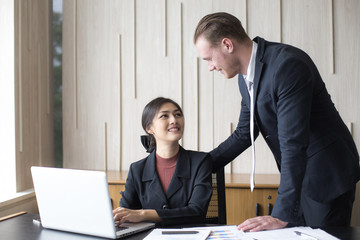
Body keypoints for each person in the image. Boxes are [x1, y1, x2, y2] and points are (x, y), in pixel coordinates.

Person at [194, 12, 360, 231]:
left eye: (208, 58)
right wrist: (197, 166)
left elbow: (293, 141)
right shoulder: (245, 78)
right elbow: (245, 132)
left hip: (326, 176)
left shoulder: (287, 65)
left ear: (227, 44)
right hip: (299, 178)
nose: (210, 67)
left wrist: (280, 214)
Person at [113, 97, 213, 226]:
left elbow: (197, 211)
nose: (174, 120)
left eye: (178, 114)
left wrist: (144, 214)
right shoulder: (137, 169)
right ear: (149, 128)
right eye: (164, 116)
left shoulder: (200, 162)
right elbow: (126, 213)